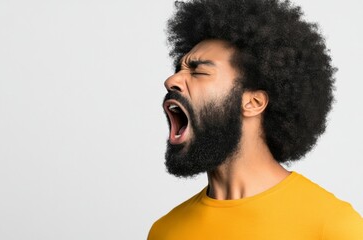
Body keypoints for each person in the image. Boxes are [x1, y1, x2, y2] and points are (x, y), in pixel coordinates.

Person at [148, 0, 363, 239]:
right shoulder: (165, 231)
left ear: (253, 103)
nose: (172, 80)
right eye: (179, 68)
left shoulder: (333, 227)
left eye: (199, 71)